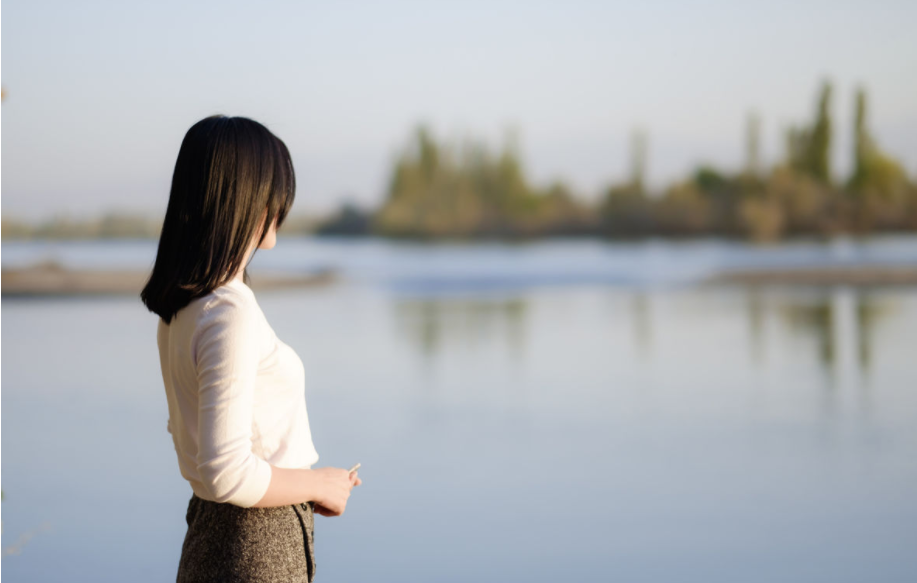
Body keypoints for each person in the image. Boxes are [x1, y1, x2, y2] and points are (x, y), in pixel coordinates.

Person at [141, 115, 361, 582]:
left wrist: (305, 488)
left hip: (211, 534)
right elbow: (227, 471)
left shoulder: (182, 310)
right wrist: (319, 481)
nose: (280, 204)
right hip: (254, 545)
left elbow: (206, 449)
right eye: (273, 190)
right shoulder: (228, 313)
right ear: (244, 199)